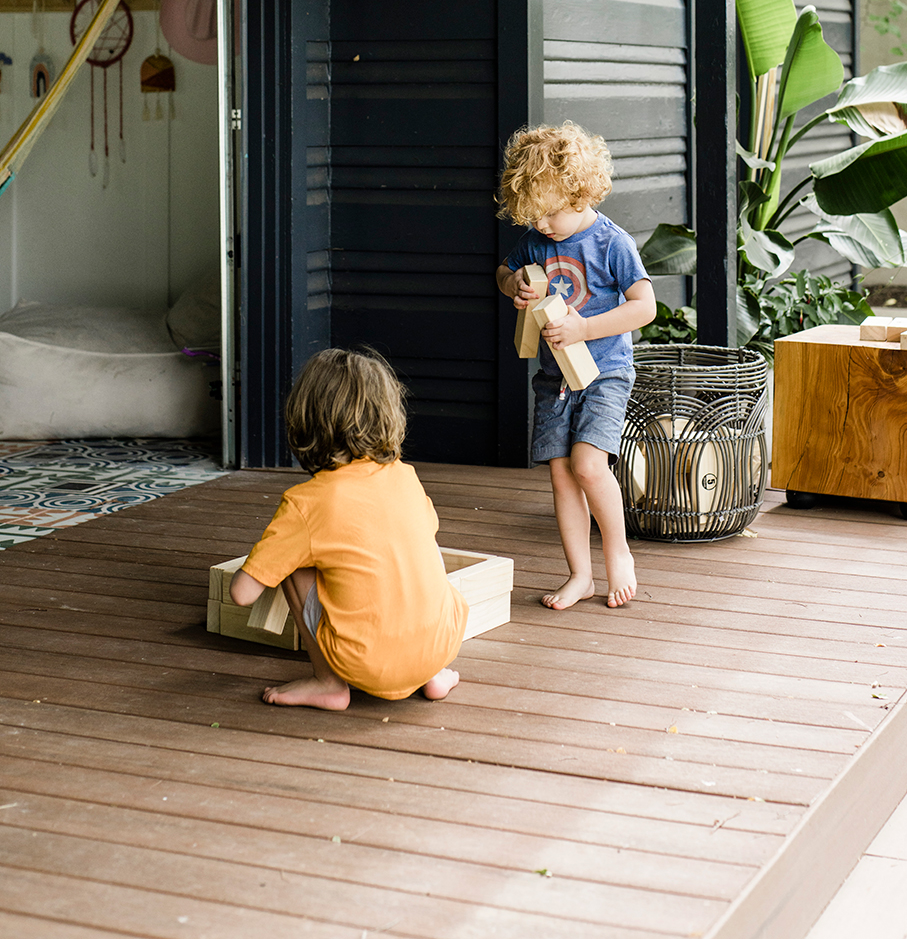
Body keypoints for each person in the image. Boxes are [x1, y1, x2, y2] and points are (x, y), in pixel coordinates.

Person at [229, 347, 467, 709]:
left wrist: (276, 554)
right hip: (444, 644)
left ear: (306, 419)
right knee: (416, 542)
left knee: (295, 562)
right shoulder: (406, 476)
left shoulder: (306, 503)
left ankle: (328, 683)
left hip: (367, 663)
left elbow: (242, 594)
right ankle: (432, 674)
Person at [496, 121, 656, 610]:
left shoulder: (612, 243)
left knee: (589, 465)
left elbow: (645, 307)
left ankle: (618, 552)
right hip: (554, 379)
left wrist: (585, 328)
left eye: (549, 213)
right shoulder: (536, 242)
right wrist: (516, 285)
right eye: (533, 215)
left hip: (604, 371)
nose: (541, 225)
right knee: (562, 473)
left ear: (580, 192)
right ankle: (580, 575)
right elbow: (504, 272)